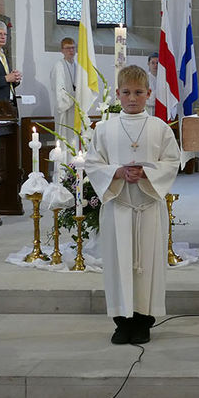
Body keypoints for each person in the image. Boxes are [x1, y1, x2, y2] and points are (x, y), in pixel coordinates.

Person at [84, 65, 180, 345]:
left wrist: (147, 173)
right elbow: (93, 163)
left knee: (147, 265)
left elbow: (172, 161)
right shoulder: (105, 128)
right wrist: (117, 172)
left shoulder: (159, 128)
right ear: (117, 94)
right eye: (126, 92)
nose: (132, 98)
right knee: (118, 264)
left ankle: (143, 321)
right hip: (119, 206)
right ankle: (121, 322)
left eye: (139, 92)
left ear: (149, 94)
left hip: (147, 207)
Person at [50, 37, 77, 145]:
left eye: (73, 48)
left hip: (75, 110)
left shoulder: (77, 65)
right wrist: (75, 96)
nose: (71, 51)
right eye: (67, 48)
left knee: (75, 141)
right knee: (65, 142)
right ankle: (65, 162)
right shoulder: (59, 66)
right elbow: (59, 91)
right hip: (65, 112)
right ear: (62, 50)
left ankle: (75, 162)